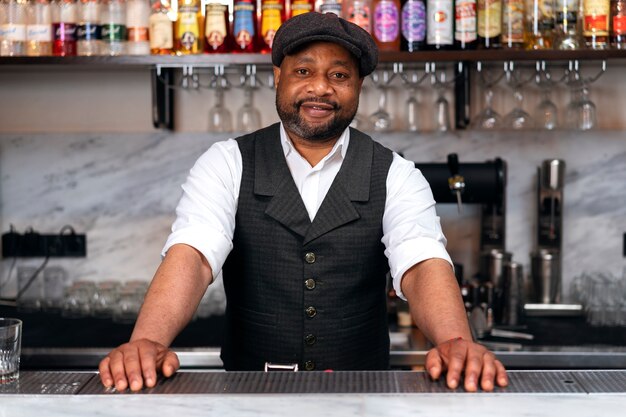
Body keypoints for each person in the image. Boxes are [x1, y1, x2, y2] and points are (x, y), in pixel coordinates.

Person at [99, 12, 508, 393]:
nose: (320, 87)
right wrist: (148, 341)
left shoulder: (396, 174)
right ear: (278, 77)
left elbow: (421, 264)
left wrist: (456, 341)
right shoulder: (227, 163)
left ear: (358, 87)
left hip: (361, 399)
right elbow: (194, 255)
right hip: (248, 397)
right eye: (303, 71)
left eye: (339, 75)